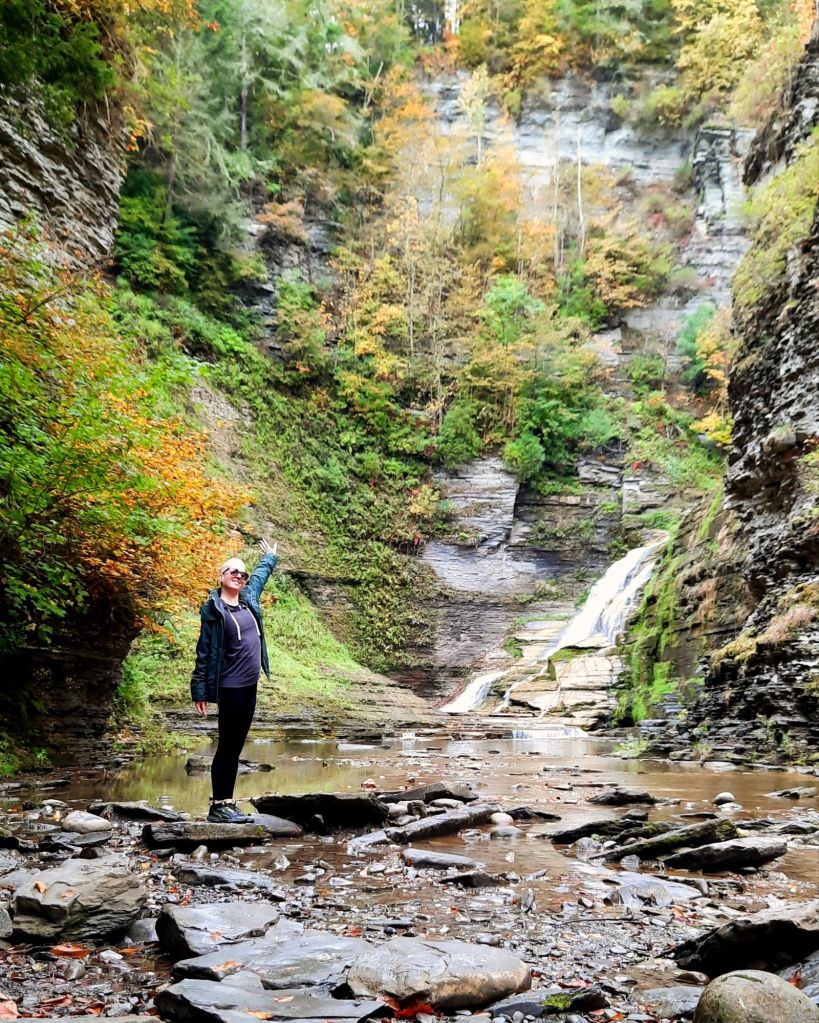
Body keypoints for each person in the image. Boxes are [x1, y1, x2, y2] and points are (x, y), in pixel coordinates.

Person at [191, 538, 278, 822]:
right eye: (234, 572)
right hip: (230, 687)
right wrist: (199, 690)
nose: (239, 576)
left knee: (237, 744)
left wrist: (269, 560)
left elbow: (260, 578)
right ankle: (218, 807)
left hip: (250, 685)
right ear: (221, 576)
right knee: (228, 746)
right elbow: (204, 652)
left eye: (243, 574)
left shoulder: (248, 601)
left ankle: (227, 802)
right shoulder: (214, 611)